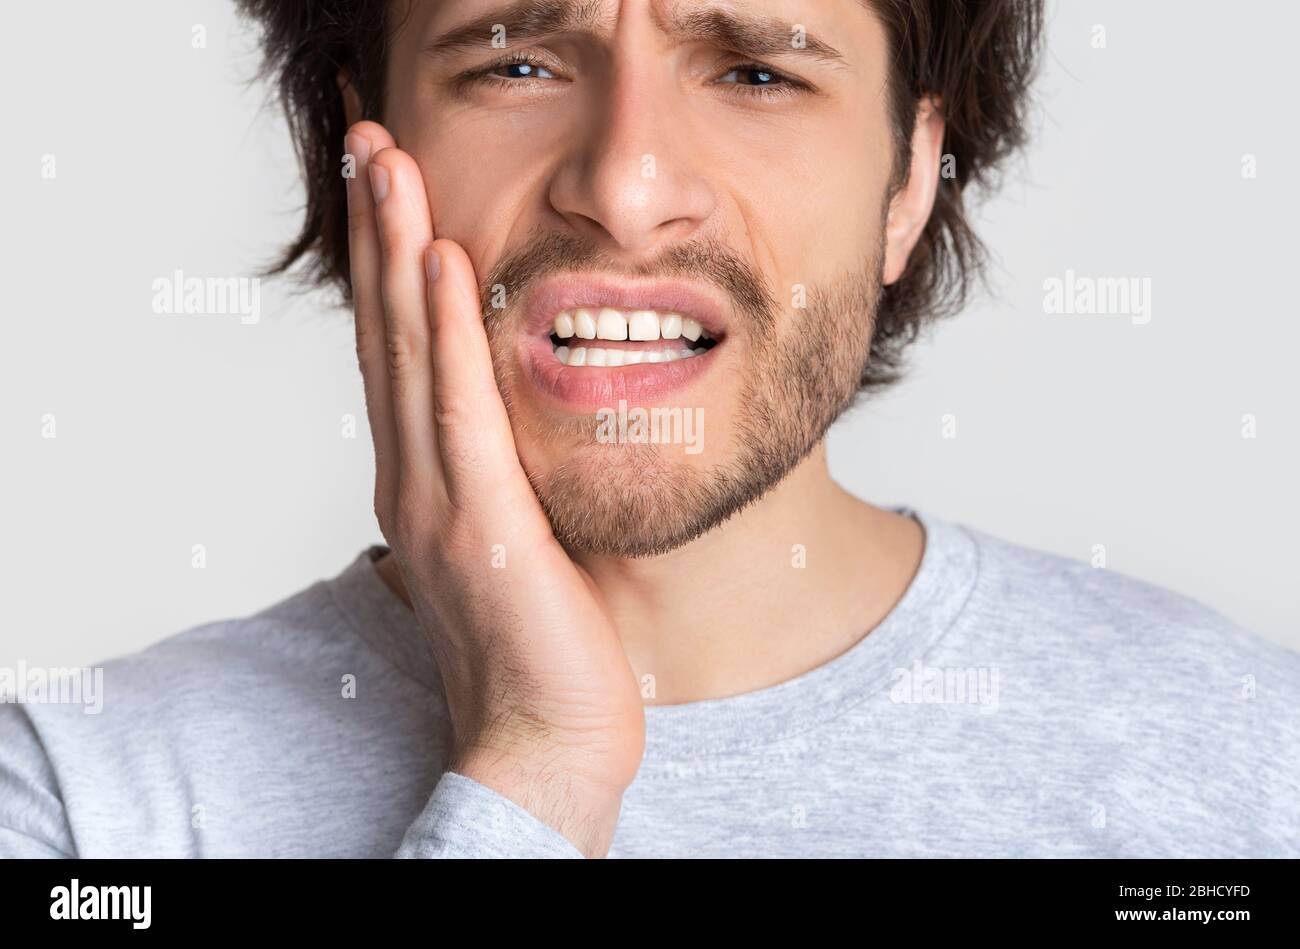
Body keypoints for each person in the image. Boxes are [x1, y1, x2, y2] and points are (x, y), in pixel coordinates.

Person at [3, 0, 1297, 859]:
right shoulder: (86, 801)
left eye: (754, 70)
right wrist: (534, 774)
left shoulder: (1246, 766)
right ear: (359, 154)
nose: (624, 188)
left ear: (908, 183)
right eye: (514, 61)